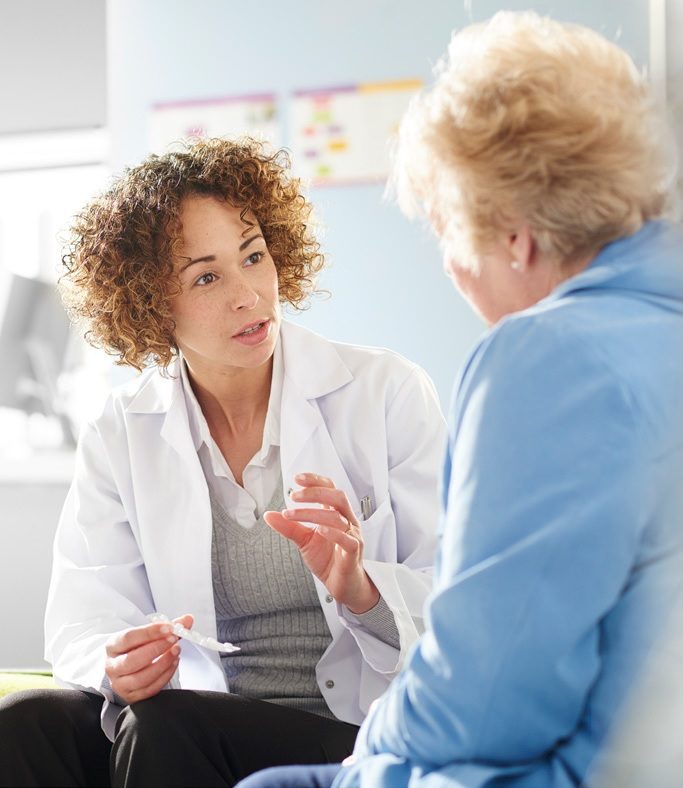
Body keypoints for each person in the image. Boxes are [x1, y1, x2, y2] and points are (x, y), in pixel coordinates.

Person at [238, 11, 683, 788]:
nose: (448, 265)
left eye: (446, 229)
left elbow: (490, 696)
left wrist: (370, 745)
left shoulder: (548, 356)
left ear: (513, 236)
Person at [0, 137, 446, 787]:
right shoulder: (122, 430)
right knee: (24, 721)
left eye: (254, 256)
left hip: (346, 728)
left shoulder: (383, 391)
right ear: (149, 302)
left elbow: (458, 597)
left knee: (167, 727)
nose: (249, 295)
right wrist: (116, 663)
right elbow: (85, 613)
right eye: (206, 276)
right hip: (183, 721)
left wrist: (360, 586)